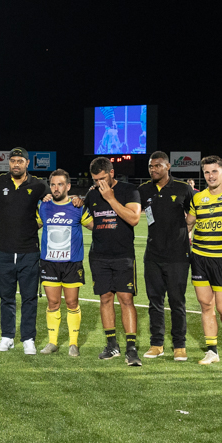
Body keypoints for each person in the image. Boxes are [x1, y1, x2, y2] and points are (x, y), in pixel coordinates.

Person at [0, 148, 49, 353]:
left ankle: (28, 338)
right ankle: (7, 337)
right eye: (12, 161)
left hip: (29, 251)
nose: (16, 164)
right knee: (6, 297)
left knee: (29, 297)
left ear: (27, 163)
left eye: (20, 161)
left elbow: (54, 202)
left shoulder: (38, 184)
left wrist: (39, 221)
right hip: (4, 251)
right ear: (8, 163)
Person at [84, 156, 143, 366]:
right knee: (105, 299)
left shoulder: (129, 190)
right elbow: (88, 219)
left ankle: (131, 349)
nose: (98, 183)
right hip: (98, 255)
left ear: (111, 173)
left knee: (126, 299)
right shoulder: (91, 193)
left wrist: (110, 198)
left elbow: (133, 218)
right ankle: (112, 345)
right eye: (94, 179)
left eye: (101, 178)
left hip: (123, 256)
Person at [137, 151, 196, 360]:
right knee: (155, 301)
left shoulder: (182, 188)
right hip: (153, 255)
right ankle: (157, 344)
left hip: (178, 255)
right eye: (151, 166)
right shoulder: (144, 190)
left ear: (168, 166)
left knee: (177, 301)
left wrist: (187, 228)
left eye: (158, 166)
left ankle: (180, 345)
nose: (153, 169)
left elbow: (196, 210)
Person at [188, 156, 222, 364]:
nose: (210, 176)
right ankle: (212, 351)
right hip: (200, 258)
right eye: (207, 173)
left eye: (214, 171)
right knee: (205, 305)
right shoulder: (198, 198)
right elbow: (189, 224)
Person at [37, 169, 89, 357]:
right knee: (52, 302)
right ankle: (53, 343)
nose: (56, 188)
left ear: (68, 186)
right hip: (49, 262)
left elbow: (94, 225)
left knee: (72, 302)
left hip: (72, 263)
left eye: (60, 184)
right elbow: (31, 224)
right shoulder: (43, 206)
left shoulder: (78, 207)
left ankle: (73, 344)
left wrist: (84, 200)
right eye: (53, 184)